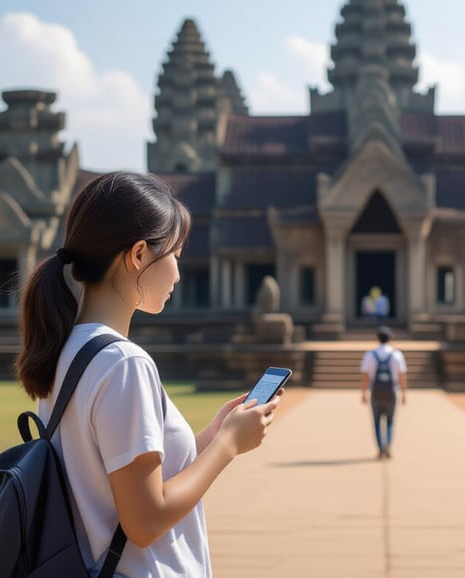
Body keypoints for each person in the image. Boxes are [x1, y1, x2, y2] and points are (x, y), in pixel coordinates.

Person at [15, 171, 280, 577]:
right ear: (138, 255)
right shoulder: (124, 364)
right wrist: (228, 446)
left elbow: (122, 476)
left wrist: (211, 436)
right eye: (174, 254)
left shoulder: (68, 350)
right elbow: (145, 521)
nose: (177, 272)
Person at [359, 326, 407, 459]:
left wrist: (363, 393)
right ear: (390, 338)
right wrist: (404, 394)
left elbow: (366, 376)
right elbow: (402, 376)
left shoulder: (370, 355)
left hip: (376, 392)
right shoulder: (397, 355)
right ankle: (388, 446)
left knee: (376, 422)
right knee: (390, 422)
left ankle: (380, 448)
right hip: (392, 392)